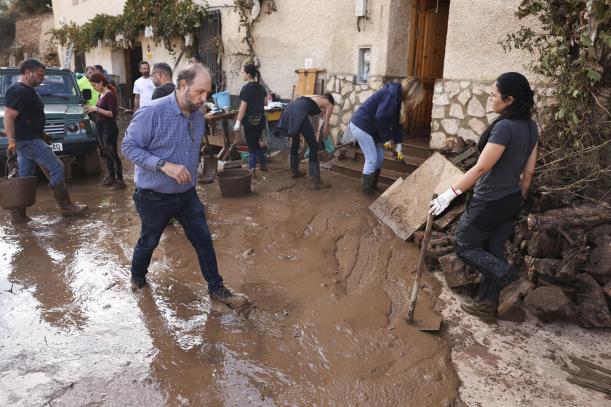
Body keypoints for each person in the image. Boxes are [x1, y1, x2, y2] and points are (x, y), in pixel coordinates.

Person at [429, 72, 538, 323]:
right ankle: (487, 305)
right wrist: (518, 197)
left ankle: (512, 279)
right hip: (511, 198)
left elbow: (481, 168)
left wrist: (449, 194)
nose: (490, 97)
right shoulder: (531, 127)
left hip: (489, 200)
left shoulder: (504, 128)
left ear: (509, 99)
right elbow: (529, 171)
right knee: (493, 249)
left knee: (464, 244)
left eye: (493, 94)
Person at [121, 62, 235, 303]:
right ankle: (138, 279)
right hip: (153, 195)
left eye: (207, 93)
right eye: (199, 92)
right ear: (182, 85)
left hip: (186, 194)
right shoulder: (151, 112)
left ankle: (216, 288)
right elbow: (128, 148)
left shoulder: (199, 114)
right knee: (149, 241)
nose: (204, 99)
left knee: (203, 239)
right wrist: (165, 165)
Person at [4, 59, 87, 222]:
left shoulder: (28, 90)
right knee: (56, 166)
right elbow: (9, 116)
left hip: (31, 137)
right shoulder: (18, 91)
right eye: (40, 75)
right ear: (27, 72)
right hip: (27, 140)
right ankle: (66, 206)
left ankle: (18, 215)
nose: (42, 79)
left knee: (24, 177)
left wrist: (41, 134)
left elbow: (27, 118)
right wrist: (11, 140)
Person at [349, 77, 424, 196]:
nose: (414, 102)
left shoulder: (399, 100)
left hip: (372, 128)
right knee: (372, 158)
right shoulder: (392, 95)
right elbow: (381, 118)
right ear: (412, 93)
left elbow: (398, 126)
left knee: (380, 156)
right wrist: (386, 139)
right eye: (415, 98)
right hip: (361, 125)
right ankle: (367, 191)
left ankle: (373, 185)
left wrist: (399, 147)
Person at [274, 93, 335, 189]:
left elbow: (300, 103)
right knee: (314, 146)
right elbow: (325, 129)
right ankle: (315, 181)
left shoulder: (312, 97)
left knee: (296, 140)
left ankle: (294, 171)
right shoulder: (329, 104)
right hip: (298, 111)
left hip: (289, 108)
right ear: (329, 100)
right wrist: (325, 135)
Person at [86, 73, 125, 190]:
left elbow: (113, 114)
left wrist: (96, 108)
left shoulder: (110, 95)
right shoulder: (101, 94)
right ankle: (111, 177)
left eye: (94, 85)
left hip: (109, 128)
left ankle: (120, 180)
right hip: (101, 127)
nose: (93, 88)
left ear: (101, 83)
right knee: (105, 152)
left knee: (113, 153)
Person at [234, 63, 268, 173]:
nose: (242, 75)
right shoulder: (261, 87)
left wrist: (238, 122)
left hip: (250, 122)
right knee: (255, 143)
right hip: (260, 120)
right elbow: (266, 103)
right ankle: (263, 165)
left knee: (251, 146)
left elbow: (243, 107)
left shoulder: (246, 89)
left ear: (248, 74)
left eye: (243, 72)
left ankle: (251, 170)